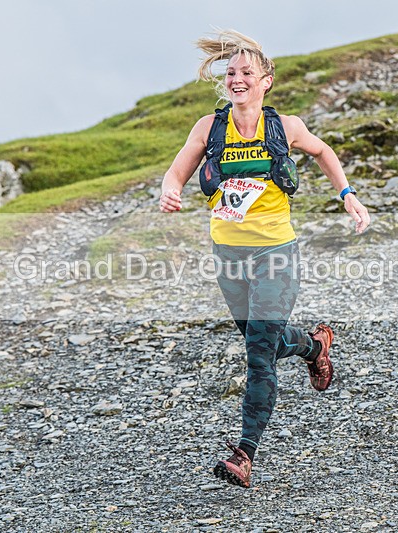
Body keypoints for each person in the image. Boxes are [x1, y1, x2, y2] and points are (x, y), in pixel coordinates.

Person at [159, 29, 370, 488]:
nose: (237, 79)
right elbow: (177, 172)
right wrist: (171, 191)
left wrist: (348, 196)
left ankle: (244, 453)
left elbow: (323, 151)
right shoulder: (209, 127)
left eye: (246, 73)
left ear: (265, 81)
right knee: (265, 341)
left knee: (259, 354)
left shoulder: (286, 126)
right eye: (231, 73)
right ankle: (315, 346)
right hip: (228, 254)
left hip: (276, 251)